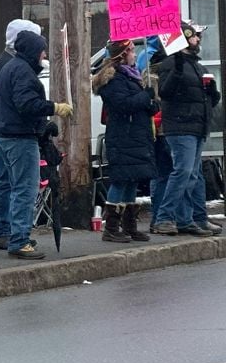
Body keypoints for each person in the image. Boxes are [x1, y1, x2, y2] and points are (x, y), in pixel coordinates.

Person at [0, 30, 73, 260]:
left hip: (5, 134)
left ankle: (16, 233)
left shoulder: (11, 67)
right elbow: (26, 104)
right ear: (33, 51)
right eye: (42, 49)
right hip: (19, 137)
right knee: (25, 189)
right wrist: (54, 107)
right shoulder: (23, 71)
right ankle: (20, 240)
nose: (44, 54)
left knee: (14, 187)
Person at [151, 22, 221, 236]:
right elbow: (165, 91)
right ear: (184, 38)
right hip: (180, 126)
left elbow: (210, 100)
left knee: (192, 175)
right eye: (194, 36)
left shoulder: (197, 65)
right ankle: (165, 217)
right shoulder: (172, 64)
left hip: (197, 126)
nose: (198, 40)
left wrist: (212, 91)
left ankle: (186, 218)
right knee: (182, 172)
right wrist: (178, 69)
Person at [93, 39, 158, 243]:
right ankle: (111, 226)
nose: (133, 54)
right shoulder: (112, 79)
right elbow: (122, 104)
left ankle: (129, 225)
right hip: (123, 136)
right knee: (121, 180)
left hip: (136, 135)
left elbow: (140, 104)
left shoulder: (131, 76)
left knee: (133, 179)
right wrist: (143, 98)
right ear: (121, 55)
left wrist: (151, 101)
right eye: (130, 50)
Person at [0, 19, 42, 250]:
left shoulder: (6, 63)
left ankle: (7, 230)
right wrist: (50, 108)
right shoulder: (17, 67)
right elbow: (24, 103)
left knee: (8, 183)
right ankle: (9, 233)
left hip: (1, 128)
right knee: (16, 185)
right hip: (13, 132)